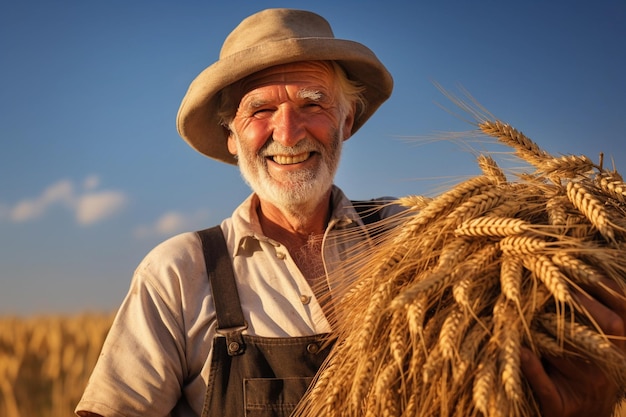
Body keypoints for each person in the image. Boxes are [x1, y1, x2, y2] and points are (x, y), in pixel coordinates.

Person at [76, 8, 626, 417]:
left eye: (312, 103)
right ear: (231, 138)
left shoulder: (424, 238)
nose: (287, 133)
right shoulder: (178, 273)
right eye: (260, 110)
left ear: (346, 119)